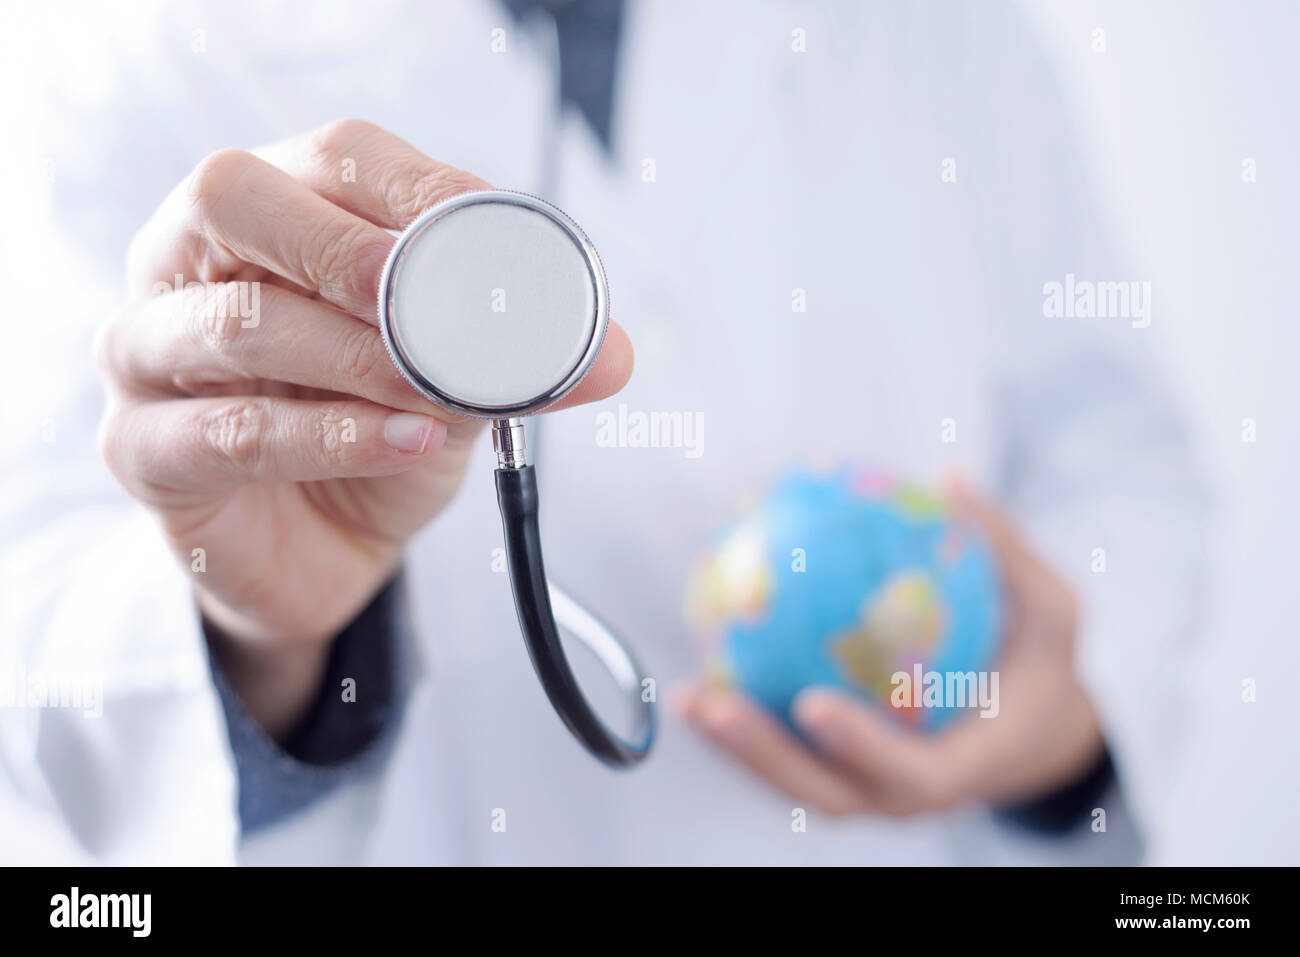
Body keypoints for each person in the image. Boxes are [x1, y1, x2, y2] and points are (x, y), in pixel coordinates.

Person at [1, 0, 1207, 864]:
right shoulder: (129, 60)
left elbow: (1121, 461)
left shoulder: (947, 35)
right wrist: (267, 643)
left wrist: (1063, 728)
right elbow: (48, 666)